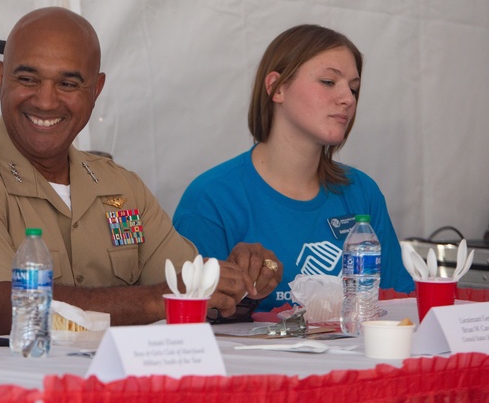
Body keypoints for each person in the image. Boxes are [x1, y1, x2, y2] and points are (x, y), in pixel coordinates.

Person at [0, 7, 281, 339]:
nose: (46, 100)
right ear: (1, 78)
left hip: (114, 402)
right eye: (28, 79)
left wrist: (241, 282)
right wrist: (157, 300)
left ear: (96, 89)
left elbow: (193, 293)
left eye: (68, 83)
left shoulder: (122, 186)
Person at [174, 24, 414, 313]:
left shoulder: (362, 192)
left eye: (353, 88)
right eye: (328, 82)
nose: (348, 99)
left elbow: (399, 306)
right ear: (277, 88)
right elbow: (193, 318)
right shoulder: (211, 199)